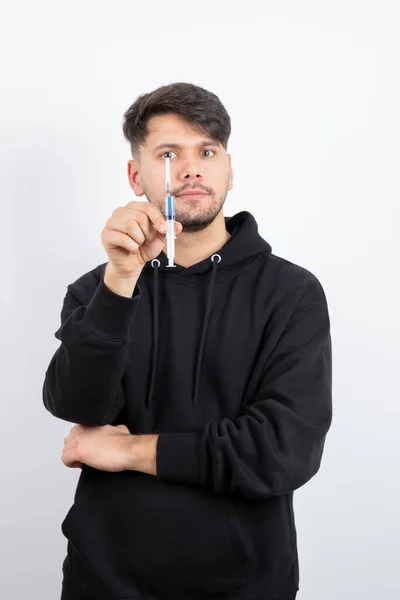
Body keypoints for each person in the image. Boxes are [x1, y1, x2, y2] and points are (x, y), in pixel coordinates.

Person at [43, 81, 332, 600]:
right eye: (169, 153)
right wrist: (121, 281)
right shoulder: (99, 288)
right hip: (101, 581)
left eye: (207, 151)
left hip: (244, 586)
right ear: (137, 175)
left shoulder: (291, 293)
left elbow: (282, 452)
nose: (192, 168)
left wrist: (129, 451)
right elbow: (76, 404)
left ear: (228, 169)